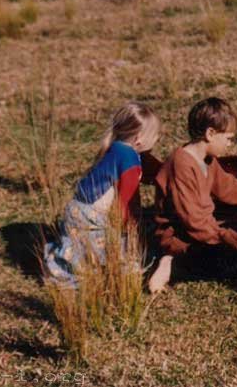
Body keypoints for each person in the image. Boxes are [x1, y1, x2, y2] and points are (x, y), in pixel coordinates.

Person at [148, 97, 237, 293]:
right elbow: (193, 220)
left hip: (203, 230)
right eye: (229, 138)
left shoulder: (207, 160)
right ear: (210, 133)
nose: (230, 144)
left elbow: (230, 187)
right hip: (181, 238)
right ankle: (172, 264)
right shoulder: (181, 164)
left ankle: (188, 261)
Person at [44, 102, 161, 289]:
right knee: (109, 244)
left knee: (80, 246)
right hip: (91, 216)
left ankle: (67, 264)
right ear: (139, 139)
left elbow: (149, 168)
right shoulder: (130, 160)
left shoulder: (116, 147)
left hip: (77, 208)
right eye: (156, 135)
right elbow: (126, 202)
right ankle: (85, 274)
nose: (157, 138)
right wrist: (131, 229)